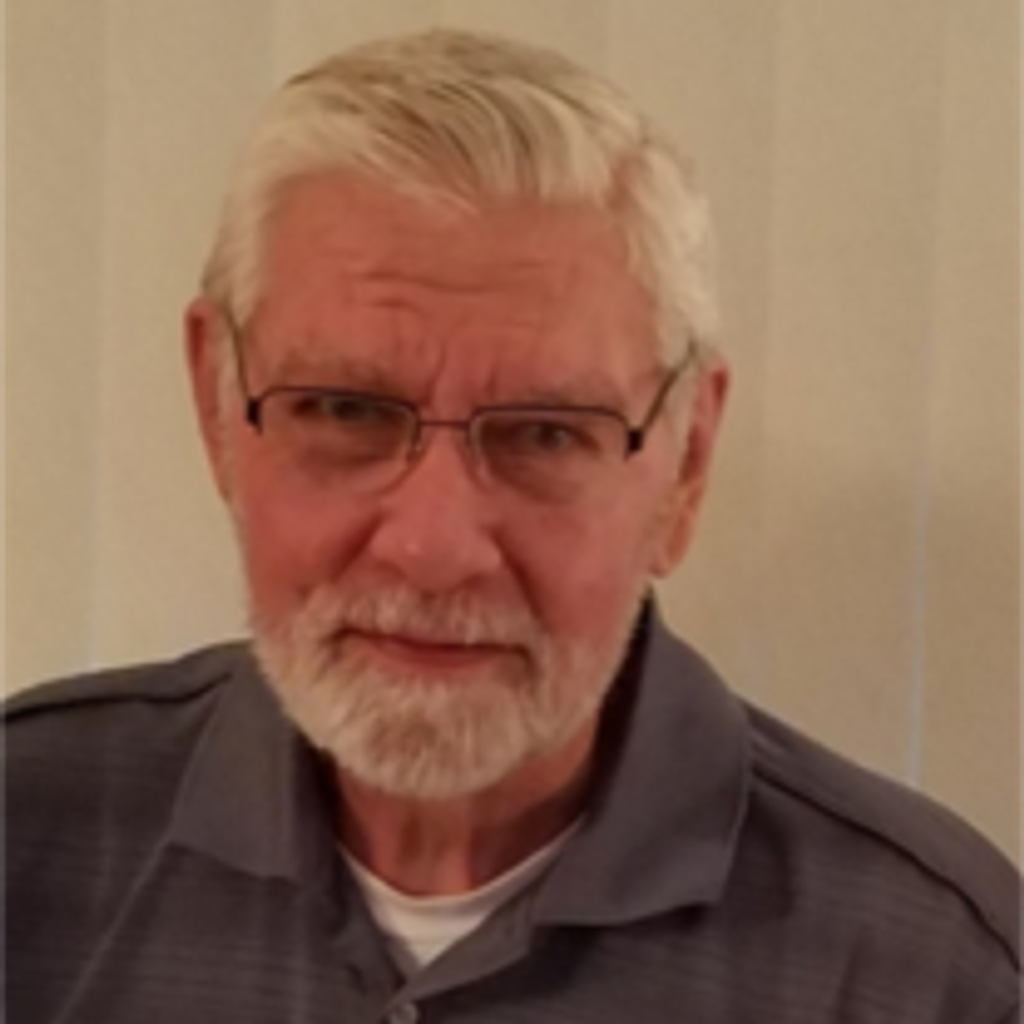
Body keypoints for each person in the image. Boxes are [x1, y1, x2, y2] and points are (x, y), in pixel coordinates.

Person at [2, 28, 1021, 1023]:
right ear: (217, 406)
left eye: (545, 432)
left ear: (685, 465)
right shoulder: (25, 836)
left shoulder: (933, 976)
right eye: (346, 412)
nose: (432, 549)